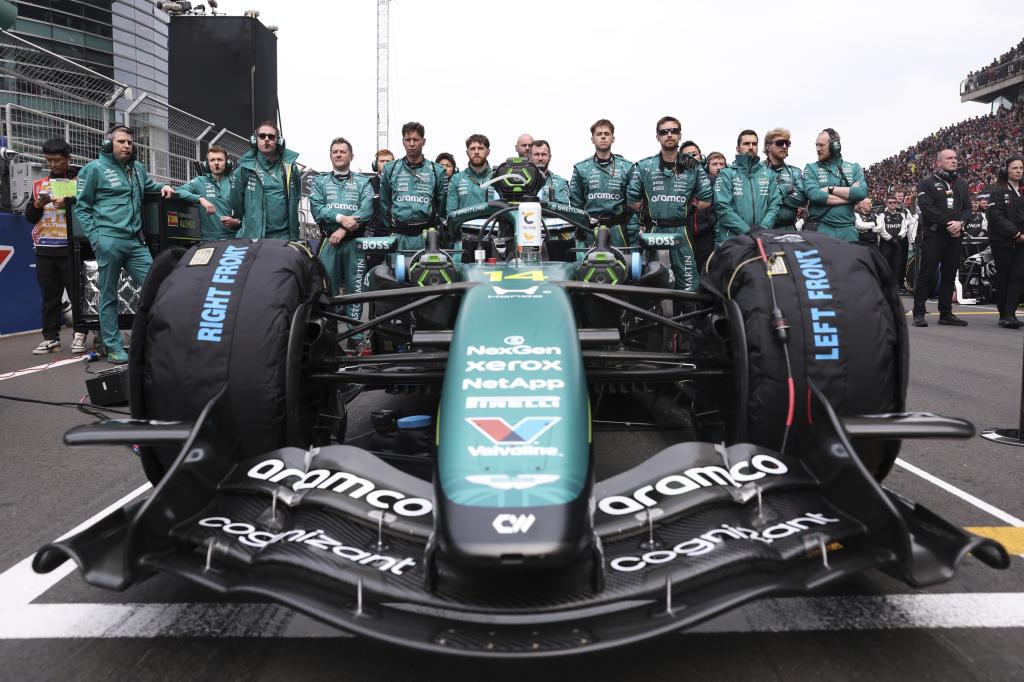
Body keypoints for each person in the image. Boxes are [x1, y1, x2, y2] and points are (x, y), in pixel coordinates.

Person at [73, 125, 175, 364]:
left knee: (158, 286)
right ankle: (114, 347)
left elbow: (149, 187)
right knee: (108, 296)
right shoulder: (94, 169)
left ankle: (156, 340)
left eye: (129, 142)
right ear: (109, 144)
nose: (127, 145)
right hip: (109, 241)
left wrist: (164, 186)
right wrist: (97, 240)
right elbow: (82, 207)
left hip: (136, 242)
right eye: (121, 141)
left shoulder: (137, 169)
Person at [626, 115, 713, 292]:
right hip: (654, 230)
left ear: (680, 135)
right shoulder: (644, 166)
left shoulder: (693, 166)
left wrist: (689, 210)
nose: (669, 135)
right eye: (664, 132)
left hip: (681, 231)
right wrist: (650, 211)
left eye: (674, 131)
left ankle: (689, 319)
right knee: (652, 280)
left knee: (688, 284)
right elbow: (632, 200)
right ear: (657, 137)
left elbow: (707, 199)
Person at [309, 137, 374, 341]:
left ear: (351, 156)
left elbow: (367, 210)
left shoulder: (364, 182)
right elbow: (317, 210)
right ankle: (329, 337)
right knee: (328, 290)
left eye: (343, 151)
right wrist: (341, 219)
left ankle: (356, 337)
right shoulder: (320, 181)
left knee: (356, 291)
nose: (338, 154)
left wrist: (343, 230)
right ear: (330, 155)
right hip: (330, 242)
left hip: (354, 242)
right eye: (335, 151)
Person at [25, 138, 84, 355]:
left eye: (57, 160)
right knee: (50, 296)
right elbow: (30, 217)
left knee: (77, 293)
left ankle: (81, 333)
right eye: (49, 161)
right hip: (45, 248)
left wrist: (71, 202)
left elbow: (91, 210)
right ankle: (51, 338)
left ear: (68, 159)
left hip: (72, 247)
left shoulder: (81, 181)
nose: (53, 165)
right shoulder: (40, 185)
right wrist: (37, 205)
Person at [911, 149, 971, 327]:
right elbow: (927, 209)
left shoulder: (961, 183)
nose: (954, 161)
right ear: (939, 162)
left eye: (955, 158)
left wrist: (960, 224)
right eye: (949, 158)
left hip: (955, 235)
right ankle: (919, 313)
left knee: (950, 274)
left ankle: (945, 313)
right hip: (934, 234)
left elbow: (968, 208)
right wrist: (950, 224)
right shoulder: (927, 184)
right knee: (927, 274)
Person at [379, 121, 448, 250]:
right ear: (403, 141)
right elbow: (384, 203)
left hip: (426, 236)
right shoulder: (390, 169)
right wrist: (392, 227)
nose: (411, 144)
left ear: (423, 141)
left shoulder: (437, 171)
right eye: (408, 140)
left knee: (427, 270)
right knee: (397, 270)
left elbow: (442, 206)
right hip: (398, 235)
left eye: (415, 140)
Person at [569, 119, 636, 247]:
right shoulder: (581, 168)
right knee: (590, 266)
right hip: (591, 229)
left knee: (621, 265)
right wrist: (582, 228)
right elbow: (576, 206)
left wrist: (632, 230)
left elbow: (633, 204)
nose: (603, 136)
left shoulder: (627, 167)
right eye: (599, 134)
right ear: (593, 139)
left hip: (619, 230)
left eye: (607, 133)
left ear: (613, 138)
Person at [230, 120, 301, 240]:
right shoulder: (243, 170)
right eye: (262, 136)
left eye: (271, 136)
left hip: (283, 238)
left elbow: (296, 197)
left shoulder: (291, 168)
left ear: (278, 141)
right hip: (253, 237)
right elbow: (236, 204)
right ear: (255, 140)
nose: (266, 139)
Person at [713, 129, 781, 246]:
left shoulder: (768, 174)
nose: (751, 147)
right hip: (734, 240)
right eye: (746, 144)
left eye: (754, 144)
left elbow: (775, 204)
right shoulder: (726, 174)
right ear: (737, 149)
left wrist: (763, 228)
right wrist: (747, 231)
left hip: (762, 238)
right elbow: (722, 207)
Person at [801, 128, 868, 242]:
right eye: (816, 145)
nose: (818, 149)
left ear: (835, 146)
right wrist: (850, 197)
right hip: (821, 229)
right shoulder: (811, 168)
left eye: (821, 145)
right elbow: (815, 195)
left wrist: (830, 189)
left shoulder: (854, 167)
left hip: (848, 231)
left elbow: (861, 193)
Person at [985, 156, 1024, 328]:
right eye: (1015, 168)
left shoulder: (1022, 190)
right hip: (1002, 241)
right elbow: (994, 216)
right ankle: (1003, 315)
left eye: (1021, 168)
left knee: (1018, 276)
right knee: (1005, 276)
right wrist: (1015, 233)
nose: (1019, 171)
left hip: (1022, 240)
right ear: (1005, 170)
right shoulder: (998, 190)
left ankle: (1010, 314)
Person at [174, 146, 239, 240]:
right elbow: (179, 191)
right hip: (208, 240)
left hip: (234, 238)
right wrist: (200, 199)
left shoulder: (236, 182)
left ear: (227, 162)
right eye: (212, 160)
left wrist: (237, 222)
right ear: (207, 164)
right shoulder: (199, 181)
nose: (216, 163)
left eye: (220, 160)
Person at [763, 127, 804, 230]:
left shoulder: (795, 172)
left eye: (787, 143)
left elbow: (801, 198)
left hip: (789, 229)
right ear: (768, 147)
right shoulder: (757, 171)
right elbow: (759, 199)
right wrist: (786, 190)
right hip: (764, 229)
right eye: (780, 143)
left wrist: (772, 193)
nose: (785, 146)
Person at [446, 134, 492, 214]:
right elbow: (451, 214)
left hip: (491, 226)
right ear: (467, 152)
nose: (476, 152)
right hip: (464, 226)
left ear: (488, 152)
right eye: (472, 149)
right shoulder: (456, 179)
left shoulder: (498, 177)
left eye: (480, 148)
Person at [877, 195, 909, 278]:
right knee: (885, 266)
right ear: (886, 204)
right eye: (890, 202)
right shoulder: (882, 215)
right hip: (886, 244)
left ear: (896, 203)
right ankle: (885, 287)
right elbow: (881, 229)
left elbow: (904, 228)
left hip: (898, 243)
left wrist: (899, 237)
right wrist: (890, 238)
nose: (892, 204)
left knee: (897, 265)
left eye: (894, 202)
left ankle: (897, 287)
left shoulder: (901, 215)